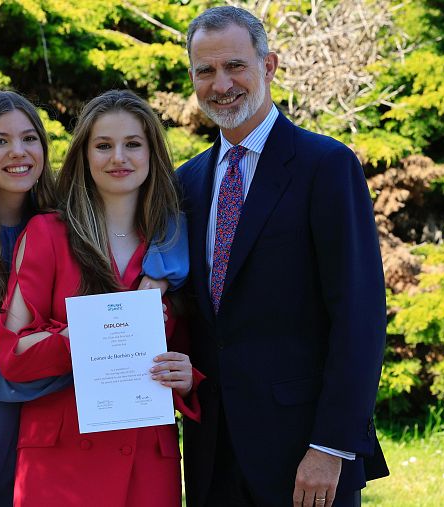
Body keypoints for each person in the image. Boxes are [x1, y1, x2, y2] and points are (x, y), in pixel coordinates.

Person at [0, 91, 189, 506]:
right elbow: (0, 375)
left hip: (46, 433)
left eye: (29, 138)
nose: (17, 151)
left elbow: (166, 228)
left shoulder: (55, 218)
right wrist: (112, 348)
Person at [176, 6, 389, 507]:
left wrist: (329, 446)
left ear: (268, 66)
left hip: (304, 458)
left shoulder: (326, 167)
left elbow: (359, 318)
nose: (220, 83)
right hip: (213, 457)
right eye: (204, 71)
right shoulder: (186, 182)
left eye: (235, 66)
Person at [0, 90, 202, 507]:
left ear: (152, 154)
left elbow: (191, 352)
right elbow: (12, 353)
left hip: (147, 461)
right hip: (60, 463)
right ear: (85, 156)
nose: (118, 158)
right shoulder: (47, 234)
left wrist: (185, 375)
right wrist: (88, 336)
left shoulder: (176, 243)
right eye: (104, 146)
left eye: (132, 144)